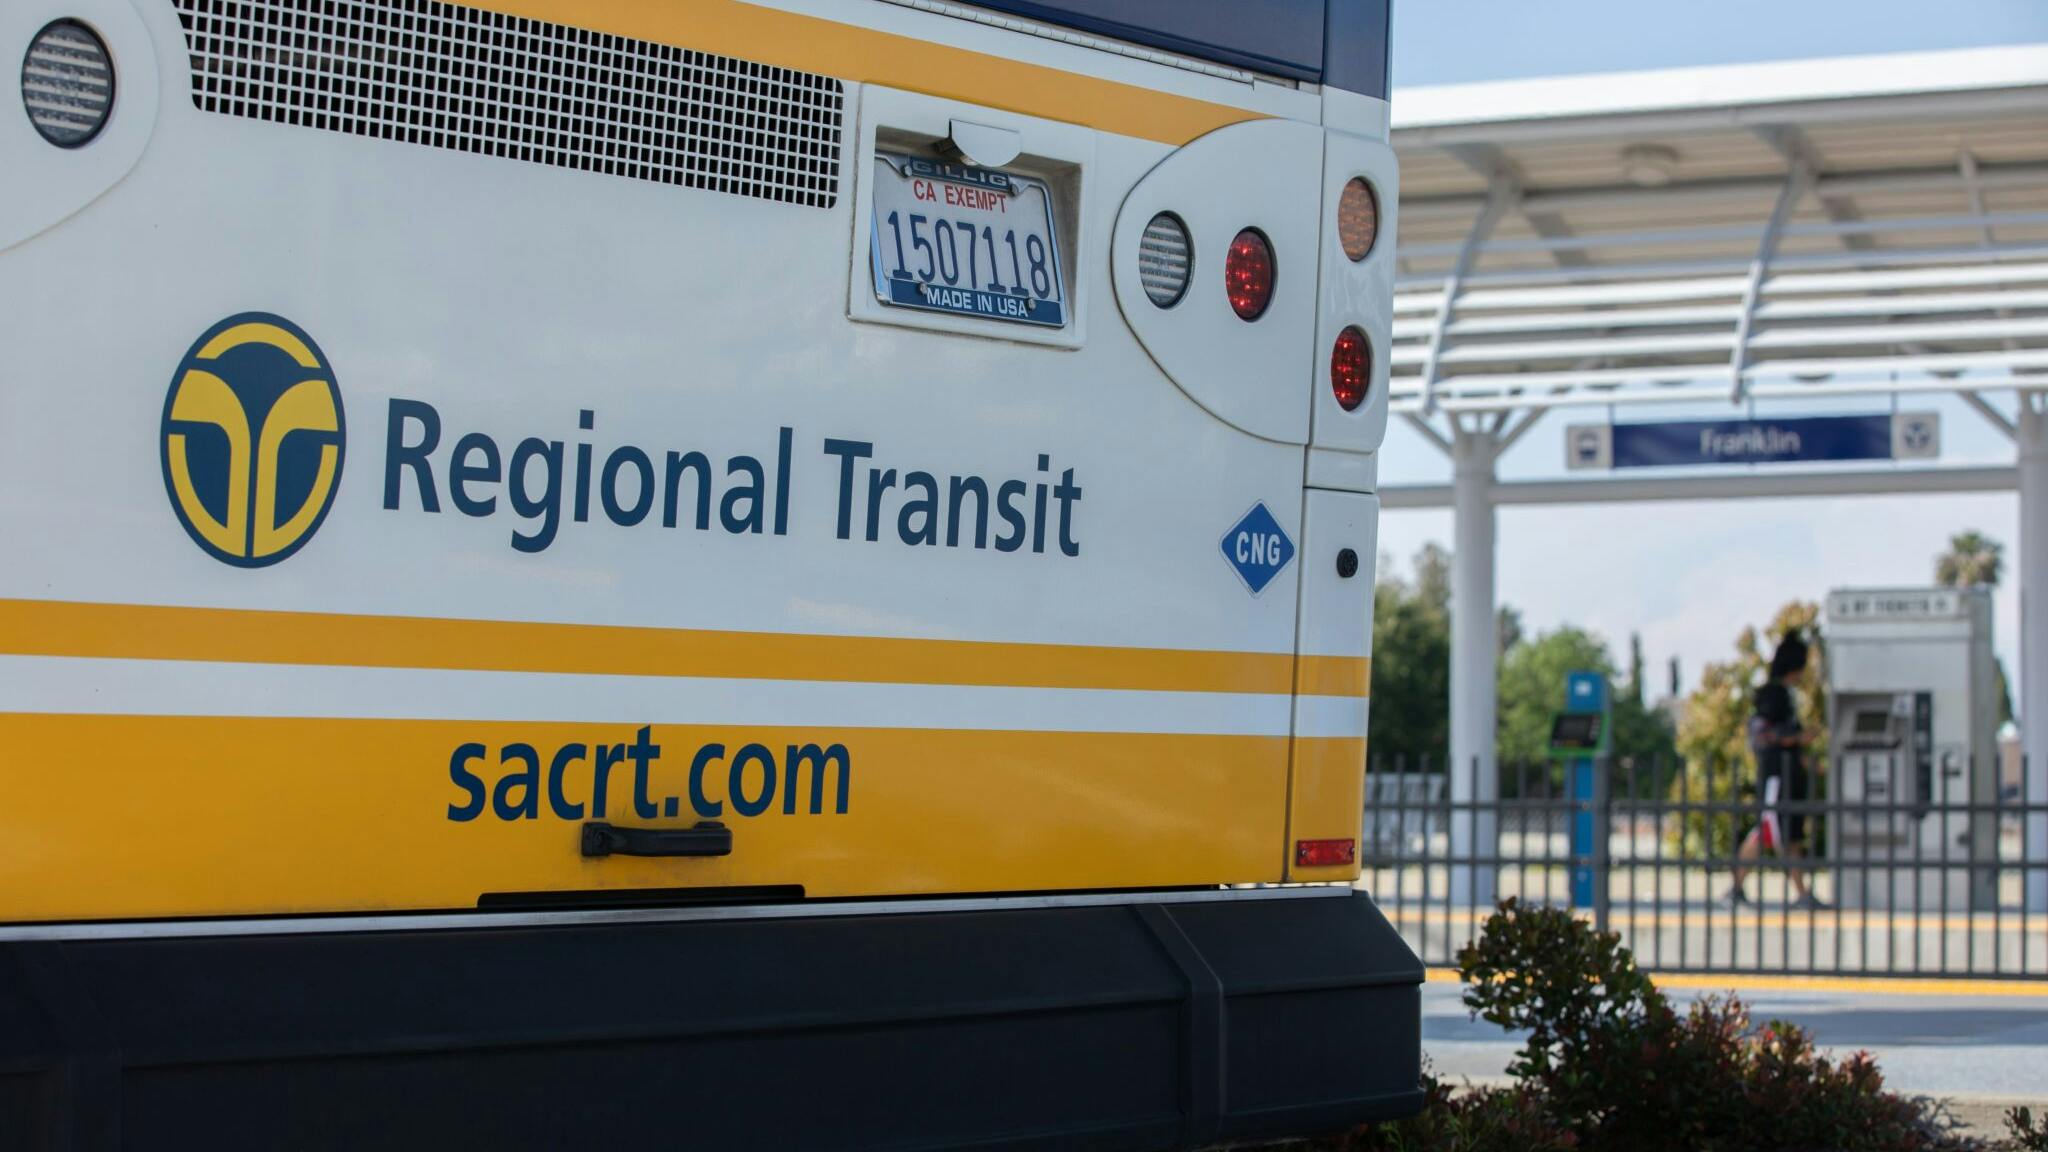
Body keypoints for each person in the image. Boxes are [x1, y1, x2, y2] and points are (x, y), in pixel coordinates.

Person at [1725, 633, 1827, 909]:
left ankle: (1801, 892)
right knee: (1768, 829)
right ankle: (1736, 887)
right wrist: (1798, 739)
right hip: (1775, 778)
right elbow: (1764, 735)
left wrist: (1803, 759)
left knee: (1788, 833)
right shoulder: (1772, 696)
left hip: (1786, 776)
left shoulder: (1785, 696)